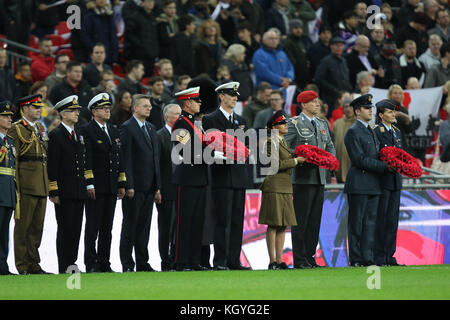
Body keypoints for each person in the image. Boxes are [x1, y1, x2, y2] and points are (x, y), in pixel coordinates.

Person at [202, 81, 252, 270]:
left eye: (235, 95)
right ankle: (220, 260)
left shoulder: (241, 120)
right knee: (221, 220)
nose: (234, 98)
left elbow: (244, 148)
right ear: (221, 96)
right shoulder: (210, 120)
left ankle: (234, 260)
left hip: (238, 176)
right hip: (221, 176)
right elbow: (209, 147)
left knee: (237, 221)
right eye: (231, 95)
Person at [284, 90, 335, 269]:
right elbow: (284, 147)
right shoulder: (294, 123)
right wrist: (298, 158)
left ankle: (310, 257)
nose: (317, 104)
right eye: (313, 102)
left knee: (314, 221)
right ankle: (299, 259)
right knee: (301, 221)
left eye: (317, 101)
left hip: (320, 178)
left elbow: (330, 146)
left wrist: (330, 162)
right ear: (303, 105)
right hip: (303, 178)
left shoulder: (322, 123)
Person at [344, 94, 392, 267]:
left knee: (370, 224)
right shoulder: (352, 132)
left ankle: (367, 258)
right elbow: (359, 159)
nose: (371, 110)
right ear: (357, 111)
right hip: (359, 183)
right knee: (357, 224)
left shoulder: (371, 130)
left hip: (373, 183)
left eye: (371, 108)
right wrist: (383, 166)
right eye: (366, 108)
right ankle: (356, 259)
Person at [81, 93, 126, 273]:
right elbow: (87, 159)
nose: (107, 110)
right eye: (103, 108)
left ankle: (104, 262)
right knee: (93, 226)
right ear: (93, 111)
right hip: (96, 186)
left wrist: (121, 182)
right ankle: (91, 263)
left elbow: (118, 158)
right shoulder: (86, 130)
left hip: (110, 186)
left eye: (108, 107)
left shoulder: (114, 130)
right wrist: (89, 183)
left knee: (107, 227)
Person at [119, 94, 161, 272]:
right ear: (134, 108)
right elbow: (125, 158)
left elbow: (155, 159)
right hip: (134, 187)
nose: (149, 108)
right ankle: (128, 263)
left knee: (144, 227)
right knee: (130, 226)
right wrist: (128, 184)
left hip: (150, 186)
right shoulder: (127, 128)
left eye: (149, 106)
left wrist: (157, 186)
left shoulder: (151, 128)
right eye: (145, 106)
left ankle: (143, 263)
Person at [9, 95, 50, 275]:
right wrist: (15, 185)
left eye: (39, 107)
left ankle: (34, 263)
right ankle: (22, 265)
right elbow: (14, 160)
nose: (39, 110)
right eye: (35, 107)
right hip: (26, 184)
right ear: (24, 109)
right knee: (23, 227)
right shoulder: (16, 129)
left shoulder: (40, 128)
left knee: (36, 227)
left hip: (41, 183)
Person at [259, 110, 304, 270]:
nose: (286, 125)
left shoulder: (282, 142)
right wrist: (296, 161)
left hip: (284, 186)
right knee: (273, 224)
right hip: (275, 186)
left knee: (282, 225)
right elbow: (275, 165)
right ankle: (272, 261)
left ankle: (279, 259)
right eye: (282, 123)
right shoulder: (271, 142)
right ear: (274, 127)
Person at [48, 95, 87, 274]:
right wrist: (53, 189)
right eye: (73, 110)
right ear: (64, 114)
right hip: (64, 190)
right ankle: (64, 265)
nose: (77, 113)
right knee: (65, 229)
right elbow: (53, 164)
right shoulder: (56, 135)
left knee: (76, 229)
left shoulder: (78, 134)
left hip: (78, 190)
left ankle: (72, 263)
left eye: (78, 110)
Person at [171, 86, 209, 271]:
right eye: (196, 100)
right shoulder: (180, 124)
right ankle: (181, 261)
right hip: (187, 177)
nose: (199, 103)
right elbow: (185, 150)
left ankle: (194, 260)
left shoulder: (193, 123)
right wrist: (210, 154)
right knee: (184, 221)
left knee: (196, 221)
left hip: (199, 177)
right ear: (187, 103)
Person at [373, 99, 404, 267]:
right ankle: (379, 257)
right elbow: (376, 154)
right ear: (380, 115)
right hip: (383, 180)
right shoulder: (377, 131)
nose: (393, 114)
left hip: (395, 181)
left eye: (393, 112)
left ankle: (389, 256)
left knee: (392, 220)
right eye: (389, 112)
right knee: (382, 220)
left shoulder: (397, 132)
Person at [156, 103, 181, 271]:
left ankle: (176, 258)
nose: (180, 117)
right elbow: (156, 165)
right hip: (167, 189)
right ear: (167, 117)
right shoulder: (159, 136)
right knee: (166, 226)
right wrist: (157, 188)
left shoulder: (183, 135)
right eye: (176, 114)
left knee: (179, 228)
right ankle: (166, 260)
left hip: (182, 188)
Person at [48, 61, 95, 126]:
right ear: (68, 72)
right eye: (76, 71)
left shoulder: (86, 87)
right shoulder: (57, 89)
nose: (79, 74)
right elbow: (52, 106)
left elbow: (92, 105)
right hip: (66, 123)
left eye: (80, 72)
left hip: (87, 122)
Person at [314, 36, 353, 113]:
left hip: (344, 98)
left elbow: (346, 78)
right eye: (336, 45)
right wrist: (334, 90)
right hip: (331, 99)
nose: (339, 47)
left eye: (341, 45)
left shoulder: (343, 61)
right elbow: (318, 79)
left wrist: (350, 91)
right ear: (331, 46)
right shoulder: (326, 61)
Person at [0, 101, 16, 275]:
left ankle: (3, 266)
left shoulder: (9, 141)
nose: (9, 119)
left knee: (4, 232)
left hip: (8, 192)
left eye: (10, 116)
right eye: (5, 116)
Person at [124, 0, 159, 76]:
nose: (151, 3)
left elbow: (154, 36)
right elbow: (129, 34)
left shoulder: (152, 17)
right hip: (139, 55)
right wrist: (141, 46)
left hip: (151, 55)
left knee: (150, 78)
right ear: (142, 3)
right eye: (149, 1)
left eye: (152, 1)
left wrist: (155, 50)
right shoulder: (135, 17)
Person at [80, 0, 119, 66]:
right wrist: (95, 50)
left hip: (109, 57)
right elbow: (85, 36)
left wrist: (114, 57)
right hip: (95, 57)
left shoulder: (109, 15)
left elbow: (113, 37)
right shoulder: (89, 16)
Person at [332, 98, 356, 183]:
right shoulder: (337, 123)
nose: (348, 109)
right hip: (339, 165)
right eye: (346, 107)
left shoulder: (358, 123)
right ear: (342, 109)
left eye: (350, 106)